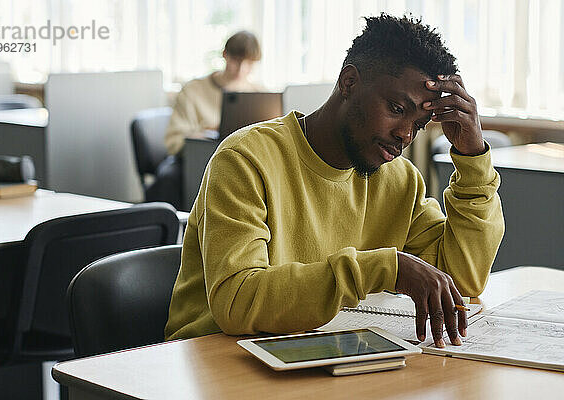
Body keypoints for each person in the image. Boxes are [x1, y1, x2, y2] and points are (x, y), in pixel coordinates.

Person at [165, 15, 504, 349]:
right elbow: (237, 301)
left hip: (309, 355)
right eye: (397, 108)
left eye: (419, 124)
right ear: (349, 83)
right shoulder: (245, 159)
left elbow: (462, 281)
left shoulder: (399, 180)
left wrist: (472, 157)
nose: (405, 135)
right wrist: (385, 268)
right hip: (213, 362)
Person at [164, 30, 262, 156]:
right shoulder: (193, 90)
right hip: (203, 158)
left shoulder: (259, 94)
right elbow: (174, 142)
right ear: (225, 55)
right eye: (236, 61)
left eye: (249, 63)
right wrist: (206, 134)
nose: (241, 69)